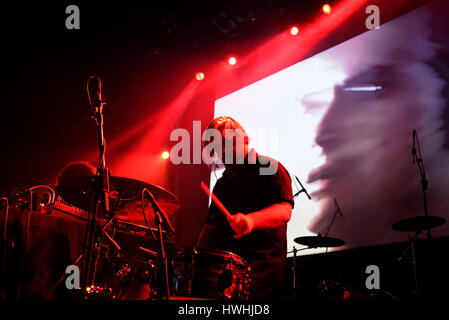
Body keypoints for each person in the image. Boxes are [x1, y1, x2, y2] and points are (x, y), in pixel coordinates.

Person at [198, 116, 294, 300]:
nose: (221, 154)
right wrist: (197, 262)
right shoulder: (222, 184)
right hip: (224, 279)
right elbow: (209, 228)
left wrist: (251, 220)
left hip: (259, 279)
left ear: (242, 139)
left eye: (224, 145)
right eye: (217, 149)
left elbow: (284, 211)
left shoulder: (269, 168)